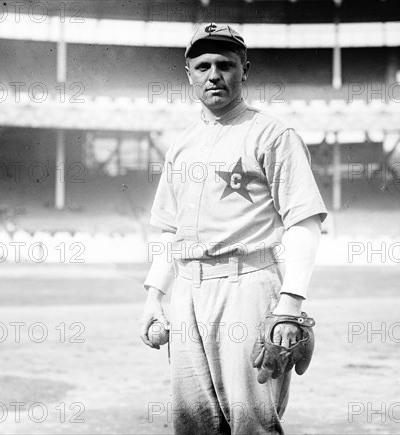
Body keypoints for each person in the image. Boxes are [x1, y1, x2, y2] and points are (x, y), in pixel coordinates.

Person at [139, 23, 327, 435]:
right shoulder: (182, 144)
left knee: (252, 423)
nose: (213, 74)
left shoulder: (273, 135)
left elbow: (304, 222)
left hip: (248, 285)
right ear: (188, 74)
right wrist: (155, 295)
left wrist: (289, 307)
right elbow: (171, 230)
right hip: (188, 289)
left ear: (245, 70)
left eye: (225, 64)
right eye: (202, 65)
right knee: (192, 424)